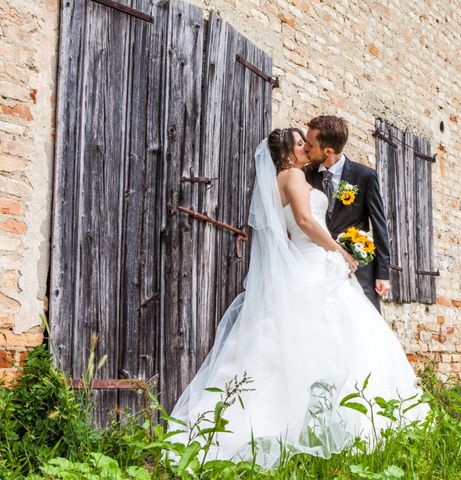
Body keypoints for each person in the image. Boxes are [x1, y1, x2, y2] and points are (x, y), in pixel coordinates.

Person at [167, 128, 428, 469]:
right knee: (332, 337)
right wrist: (339, 251)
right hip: (313, 261)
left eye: (308, 140)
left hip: (310, 262)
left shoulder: (292, 176)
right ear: (288, 151)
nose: (306, 144)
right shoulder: (291, 174)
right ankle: (334, 422)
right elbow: (304, 221)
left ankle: (319, 418)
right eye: (300, 141)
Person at [304, 115, 391, 312]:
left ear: (328, 151)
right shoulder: (306, 175)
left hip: (357, 267)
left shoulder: (365, 177)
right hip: (319, 264)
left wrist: (383, 273)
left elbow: (379, 227)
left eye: (310, 144)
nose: (306, 148)